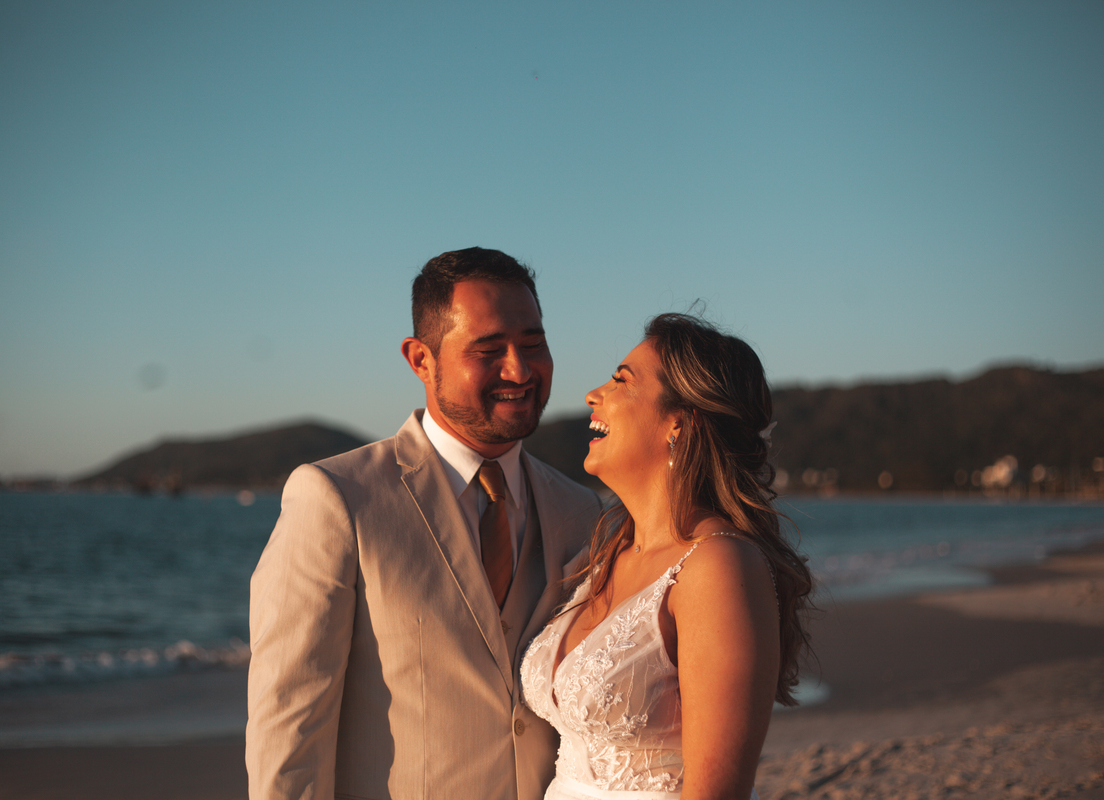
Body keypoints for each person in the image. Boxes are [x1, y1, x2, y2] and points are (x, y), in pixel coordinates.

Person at [247, 247, 603, 800]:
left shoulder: (581, 510)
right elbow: (288, 719)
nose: (520, 368)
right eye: (489, 350)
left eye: (533, 344)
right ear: (421, 360)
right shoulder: (338, 498)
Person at [520, 313, 814, 800]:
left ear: (678, 422)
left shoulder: (718, 567)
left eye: (621, 381)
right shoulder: (609, 554)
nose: (594, 394)